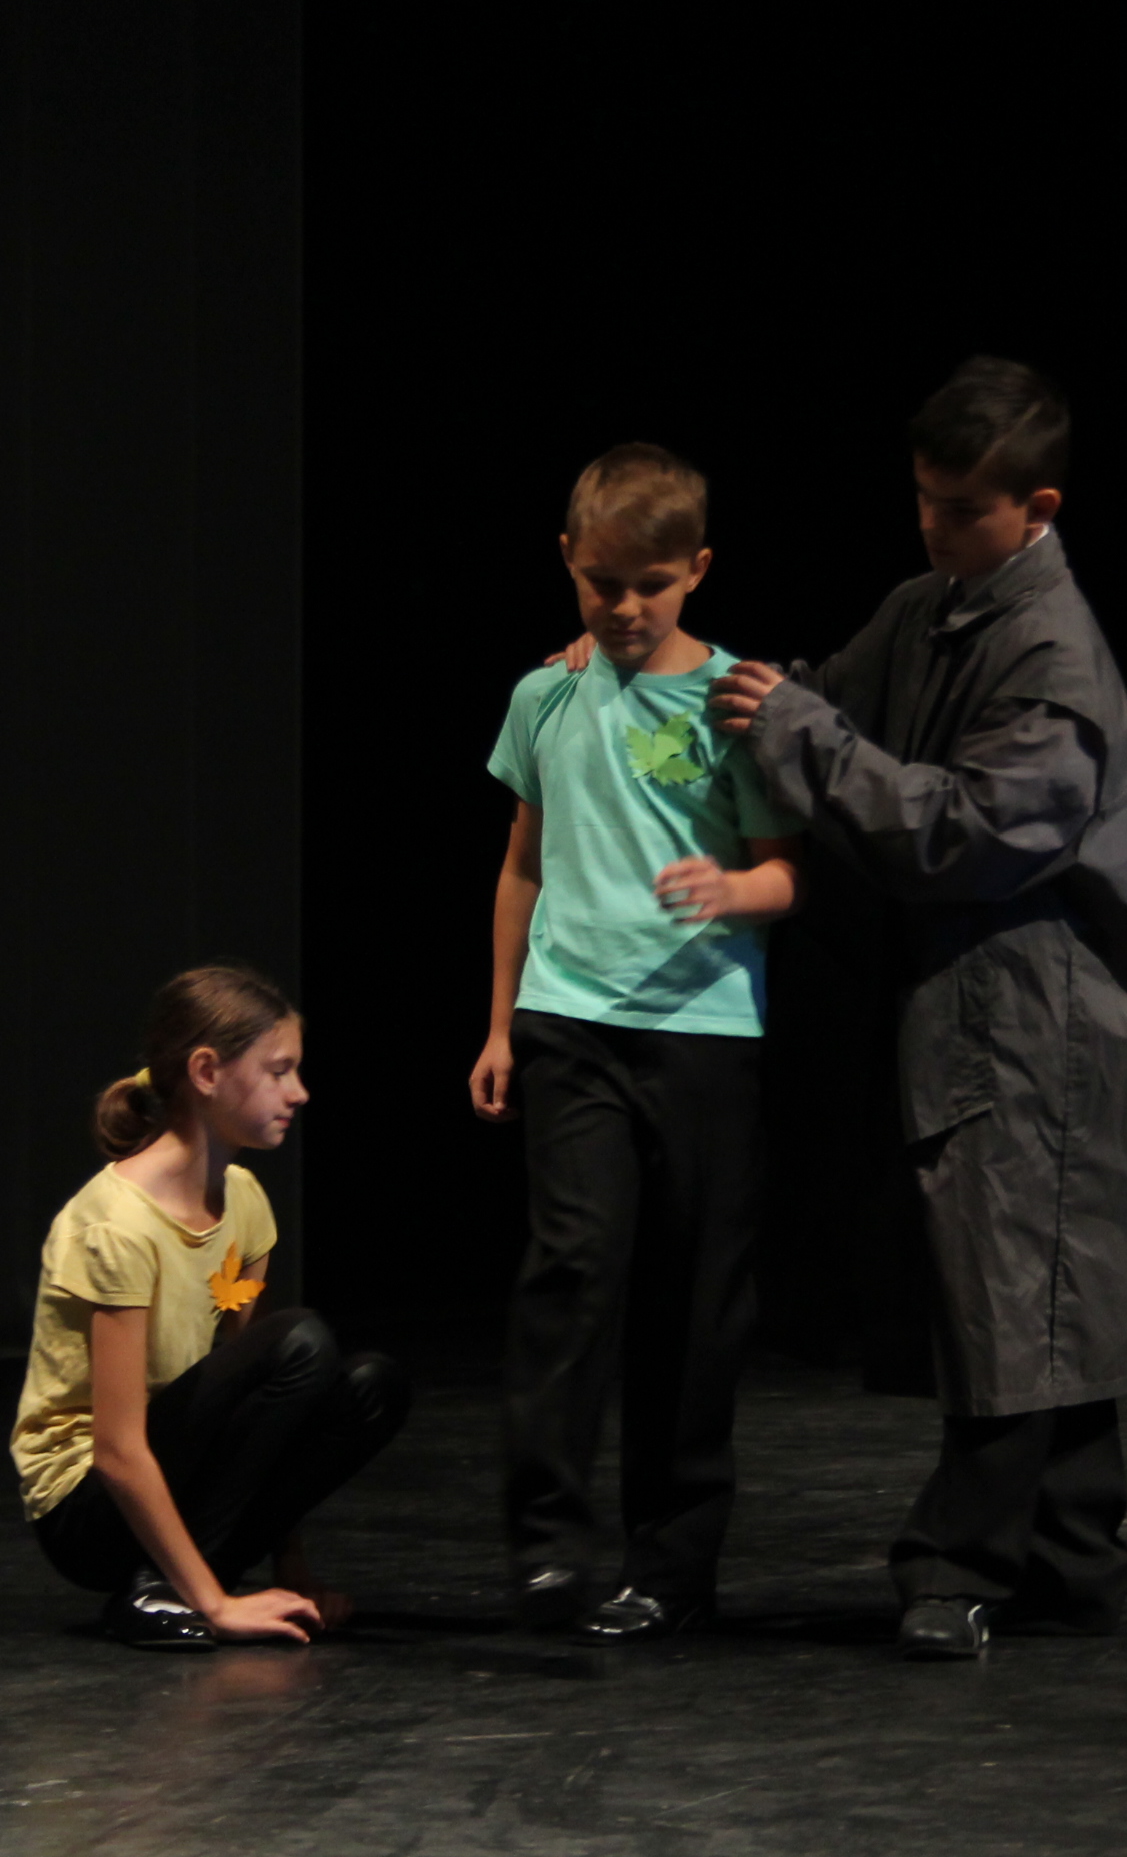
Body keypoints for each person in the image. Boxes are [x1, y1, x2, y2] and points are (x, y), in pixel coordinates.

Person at [703, 357, 1127, 1661]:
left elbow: (969, 832)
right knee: (1043, 1284)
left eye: (962, 507)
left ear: (1038, 508)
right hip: (990, 1004)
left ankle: (957, 1561)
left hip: (1052, 1018)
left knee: (1014, 1288)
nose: (932, 525)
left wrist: (800, 732)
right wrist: (669, 673)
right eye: (922, 498)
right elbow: (812, 696)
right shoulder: (932, 609)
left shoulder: (1052, 655)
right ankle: (1071, 1552)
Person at [474, 443, 810, 1644]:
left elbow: (786, 873)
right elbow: (522, 863)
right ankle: (548, 1547)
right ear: (568, 560)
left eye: (651, 585)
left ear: (697, 571)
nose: (624, 609)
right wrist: (500, 1021)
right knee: (571, 1271)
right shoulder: (544, 694)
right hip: (571, 1022)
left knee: (694, 1299)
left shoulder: (733, 701)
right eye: (602, 583)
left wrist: (732, 889)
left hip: (703, 1031)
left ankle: (671, 1563)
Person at [12, 964, 408, 1648]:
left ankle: (167, 1590)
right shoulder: (116, 1226)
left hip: (179, 1478)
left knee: (371, 1387)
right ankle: (176, 1589)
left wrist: (293, 1570)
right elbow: (116, 1450)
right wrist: (219, 1607)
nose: (299, 1092)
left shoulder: (244, 1201)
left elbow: (270, 1408)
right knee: (300, 1340)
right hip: (90, 1511)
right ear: (206, 1072)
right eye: (278, 1071)